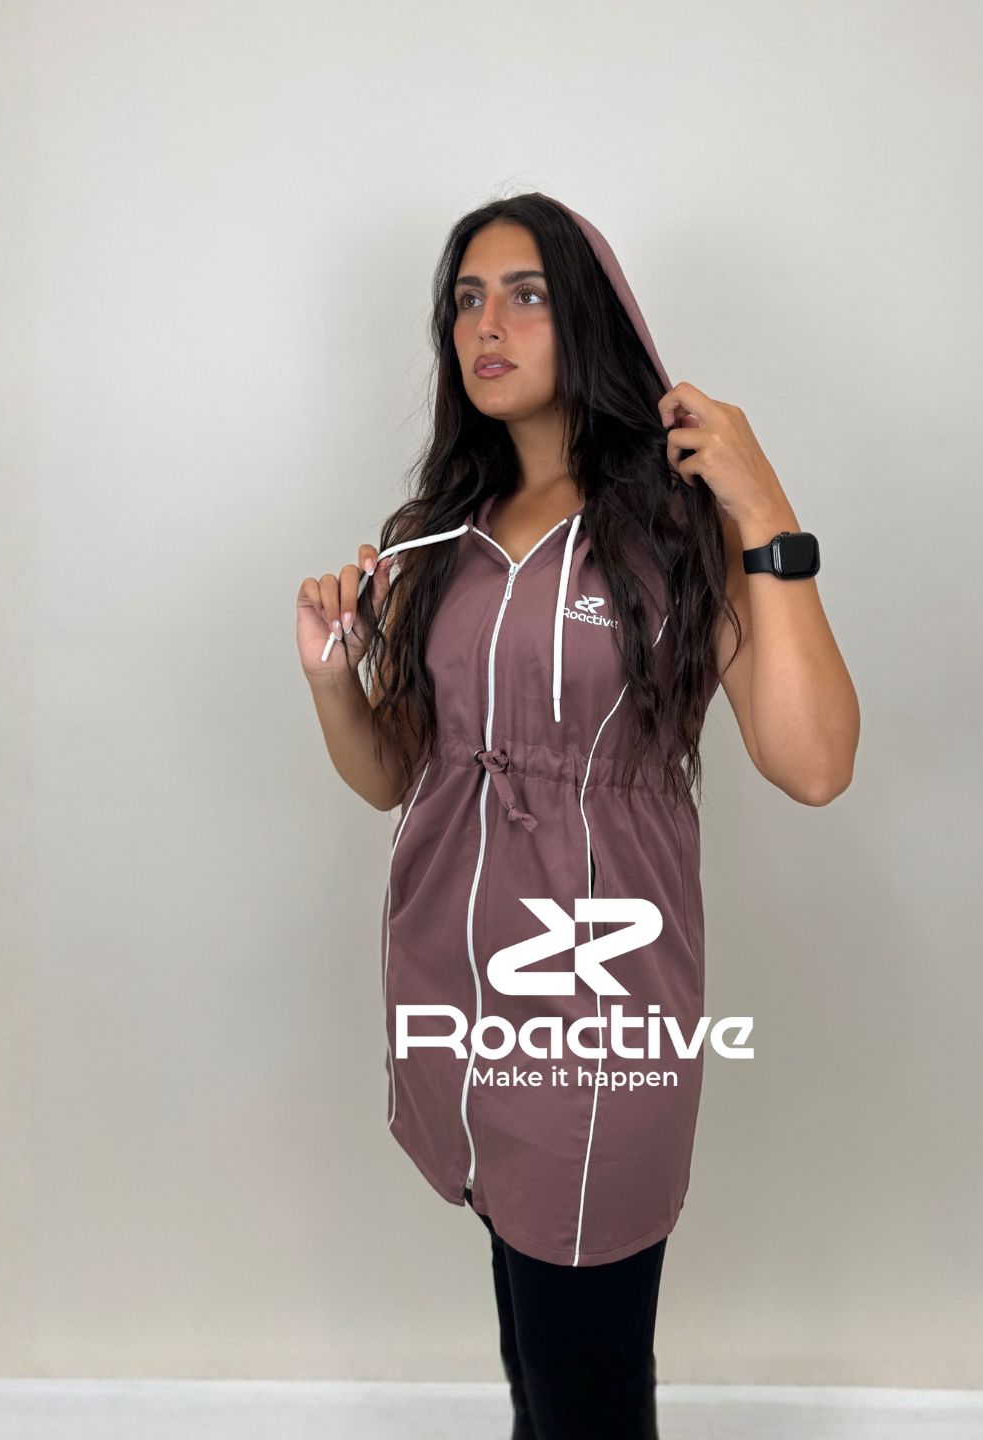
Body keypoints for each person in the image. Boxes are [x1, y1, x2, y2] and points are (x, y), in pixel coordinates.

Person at [296, 192, 859, 1440]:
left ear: (590, 317)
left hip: (598, 1009)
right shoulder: (440, 536)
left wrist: (766, 512)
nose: (484, 325)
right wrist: (333, 678)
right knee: (536, 1367)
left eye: (526, 295)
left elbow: (814, 762)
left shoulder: (677, 532)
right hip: (455, 992)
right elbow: (397, 774)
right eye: (465, 299)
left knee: (586, 1396)